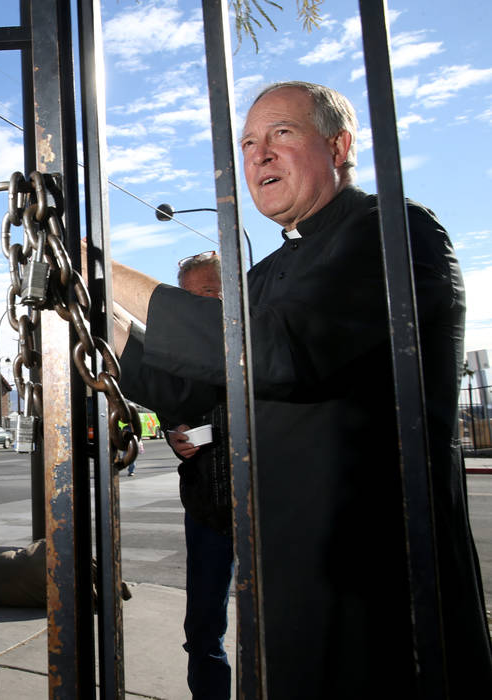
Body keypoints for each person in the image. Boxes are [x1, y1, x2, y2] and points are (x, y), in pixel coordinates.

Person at [111, 82, 492, 695]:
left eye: (281, 134)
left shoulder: (393, 233)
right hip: (282, 586)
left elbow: (283, 349)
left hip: (378, 592)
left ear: (339, 146)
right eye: (248, 143)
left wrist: (106, 268)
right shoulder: (265, 275)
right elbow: (184, 390)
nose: (259, 154)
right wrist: (98, 306)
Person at [131, 251, 233, 699]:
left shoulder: (257, 338)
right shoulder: (175, 359)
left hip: (270, 504)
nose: (197, 310)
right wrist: (176, 434)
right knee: (203, 627)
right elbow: (171, 403)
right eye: (188, 299)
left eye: (208, 295)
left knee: (285, 620)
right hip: (208, 508)